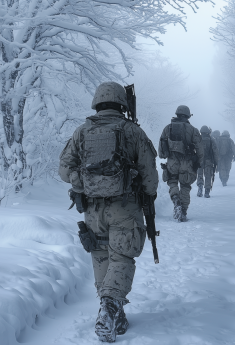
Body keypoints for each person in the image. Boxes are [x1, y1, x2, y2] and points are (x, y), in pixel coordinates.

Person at [58, 82, 158, 343]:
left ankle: (114, 314)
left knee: (101, 256)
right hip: (124, 207)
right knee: (122, 257)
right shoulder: (132, 131)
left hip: (92, 210)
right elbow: (149, 174)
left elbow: (63, 170)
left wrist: (82, 181)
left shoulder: (81, 132)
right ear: (122, 104)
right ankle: (110, 307)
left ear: (97, 102)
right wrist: (148, 196)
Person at [158, 105, 204, 222]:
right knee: (185, 186)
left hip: (172, 162)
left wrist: (167, 156)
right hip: (187, 163)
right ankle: (183, 211)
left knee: (172, 182)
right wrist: (199, 161)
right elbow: (200, 148)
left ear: (177, 114)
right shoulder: (193, 130)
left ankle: (175, 201)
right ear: (188, 115)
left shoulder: (167, 128)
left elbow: (161, 150)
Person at [197, 126, 219, 198]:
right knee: (208, 175)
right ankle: (207, 192)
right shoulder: (211, 139)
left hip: (199, 160)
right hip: (208, 161)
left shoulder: (197, 139)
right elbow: (215, 151)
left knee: (200, 174)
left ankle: (200, 188)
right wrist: (216, 161)